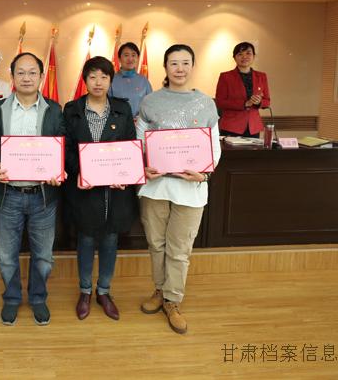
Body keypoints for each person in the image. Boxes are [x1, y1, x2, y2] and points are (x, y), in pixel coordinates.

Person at [136, 44, 221, 335]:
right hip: (156, 187)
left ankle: (173, 300)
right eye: (174, 63)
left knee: (180, 248)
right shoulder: (150, 101)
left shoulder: (206, 103)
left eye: (185, 63)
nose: (180, 68)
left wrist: (204, 171)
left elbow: (214, 146)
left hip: (190, 187)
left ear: (192, 66)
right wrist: (143, 164)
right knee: (156, 244)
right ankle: (159, 290)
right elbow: (140, 141)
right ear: (166, 67)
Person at [0, 52, 65, 326]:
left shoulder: (55, 110)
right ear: (12, 76)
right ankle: (12, 298)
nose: (26, 78)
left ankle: (38, 298)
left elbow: (63, 145)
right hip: (9, 195)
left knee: (43, 257)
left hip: (43, 196)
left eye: (32, 72)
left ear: (41, 76)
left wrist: (60, 169)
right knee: (6, 256)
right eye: (21, 72)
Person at [63, 56, 137, 321]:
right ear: (85, 80)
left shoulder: (122, 109)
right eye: (93, 76)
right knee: (85, 239)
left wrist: (124, 172)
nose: (98, 82)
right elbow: (66, 148)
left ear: (110, 80)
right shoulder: (72, 109)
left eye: (104, 77)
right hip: (85, 187)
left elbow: (130, 145)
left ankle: (104, 291)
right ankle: (85, 290)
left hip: (114, 190)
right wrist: (82, 170)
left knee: (109, 239)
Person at [214, 42, 271, 138]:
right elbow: (220, 102)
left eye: (248, 53)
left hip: (253, 127)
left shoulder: (261, 76)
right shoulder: (225, 76)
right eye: (240, 54)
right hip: (231, 126)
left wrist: (259, 102)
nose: (244, 57)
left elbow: (267, 101)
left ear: (254, 56)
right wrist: (244, 104)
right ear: (234, 58)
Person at [108, 42, 152, 117]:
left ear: (137, 58)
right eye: (126, 55)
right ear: (119, 59)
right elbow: (106, 105)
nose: (130, 59)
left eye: (133, 55)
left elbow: (150, 105)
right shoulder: (111, 80)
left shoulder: (143, 81)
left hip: (139, 123)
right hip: (117, 122)